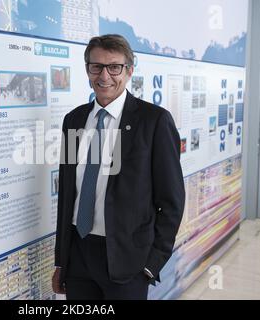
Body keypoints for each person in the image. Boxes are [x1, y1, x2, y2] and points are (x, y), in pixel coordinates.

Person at [52, 34, 185, 300]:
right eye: (96, 66)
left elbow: (171, 201)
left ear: (129, 71)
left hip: (127, 261)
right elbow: (68, 195)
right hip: (78, 256)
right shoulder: (74, 120)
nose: (105, 76)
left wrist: (150, 265)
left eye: (114, 67)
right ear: (87, 70)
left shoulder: (154, 121)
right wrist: (61, 260)